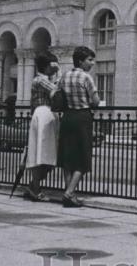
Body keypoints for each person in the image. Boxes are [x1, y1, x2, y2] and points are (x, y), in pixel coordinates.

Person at [56, 45, 100, 207]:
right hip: (82, 117)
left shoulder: (65, 76)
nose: (92, 63)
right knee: (82, 157)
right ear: (80, 61)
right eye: (89, 60)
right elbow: (95, 101)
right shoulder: (86, 78)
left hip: (67, 117)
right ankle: (69, 193)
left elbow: (58, 95)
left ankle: (69, 192)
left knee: (68, 157)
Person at [23, 53, 60, 201]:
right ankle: (36, 189)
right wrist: (60, 70)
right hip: (44, 114)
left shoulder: (39, 80)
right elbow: (57, 92)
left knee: (43, 153)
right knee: (41, 152)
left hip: (41, 114)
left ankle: (34, 186)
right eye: (53, 64)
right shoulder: (41, 80)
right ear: (47, 65)